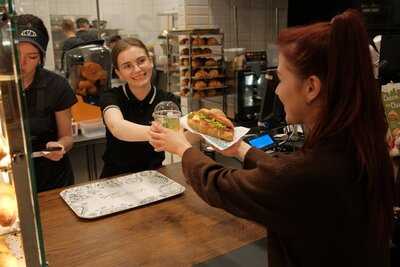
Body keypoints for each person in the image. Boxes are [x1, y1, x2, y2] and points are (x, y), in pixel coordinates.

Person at [149, 9, 394, 267]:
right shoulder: (362, 144)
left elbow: (221, 184)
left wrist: (183, 147)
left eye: (280, 79)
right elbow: (282, 174)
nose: (276, 91)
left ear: (311, 87)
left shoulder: (310, 172)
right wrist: (241, 149)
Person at [99, 37, 192, 178]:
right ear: (119, 73)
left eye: (141, 61)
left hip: (156, 176)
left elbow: (181, 136)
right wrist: (163, 134)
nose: (137, 69)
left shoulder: (167, 101)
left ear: (151, 61)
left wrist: (204, 129)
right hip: (116, 179)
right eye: (127, 66)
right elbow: (117, 127)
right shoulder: (111, 97)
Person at [16, 14, 77, 192]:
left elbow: (67, 137)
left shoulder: (56, 85)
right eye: (16, 54)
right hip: (11, 180)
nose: (22, 63)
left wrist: (60, 147)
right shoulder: (5, 85)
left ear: (41, 58)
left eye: (32, 56)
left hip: (52, 179)